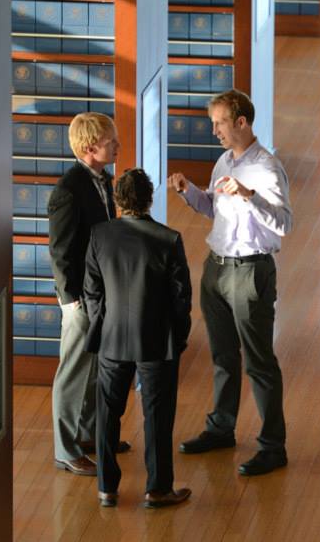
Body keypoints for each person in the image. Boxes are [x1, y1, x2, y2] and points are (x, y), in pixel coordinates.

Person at [168, 89, 292, 477]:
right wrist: (189, 193)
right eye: (213, 124)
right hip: (217, 268)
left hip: (250, 271)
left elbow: (284, 224)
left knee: (258, 361)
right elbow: (214, 208)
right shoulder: (223, 161)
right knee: (222, 355)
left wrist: (250, 195)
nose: (214, 131)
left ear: (241, 122)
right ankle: (221, 428)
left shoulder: (267, 168)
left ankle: (273, 446)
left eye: (219, 123)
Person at [84, 169, 192, 509]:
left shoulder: (100, 235)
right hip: (157, 341)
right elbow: (181, 299)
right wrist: (179, 338)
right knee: (157, 416)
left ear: (117, 200)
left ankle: (107, 488)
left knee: (107, 414)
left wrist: (102, 326)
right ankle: (158, 489)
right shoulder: (168, 239)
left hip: (112, 338)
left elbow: (92, 291)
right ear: (150, 199)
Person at [47, 112, 128, 476]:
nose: (118, 146)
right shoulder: (68, 191)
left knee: (95, 365)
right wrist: (71, 302)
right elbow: (61, 251)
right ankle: (66, 450)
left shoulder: (102, 179)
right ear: (89, 148)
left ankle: (89, 434)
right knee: (73, 372)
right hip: (80, 298)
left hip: (100, 290)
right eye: (111, 142)